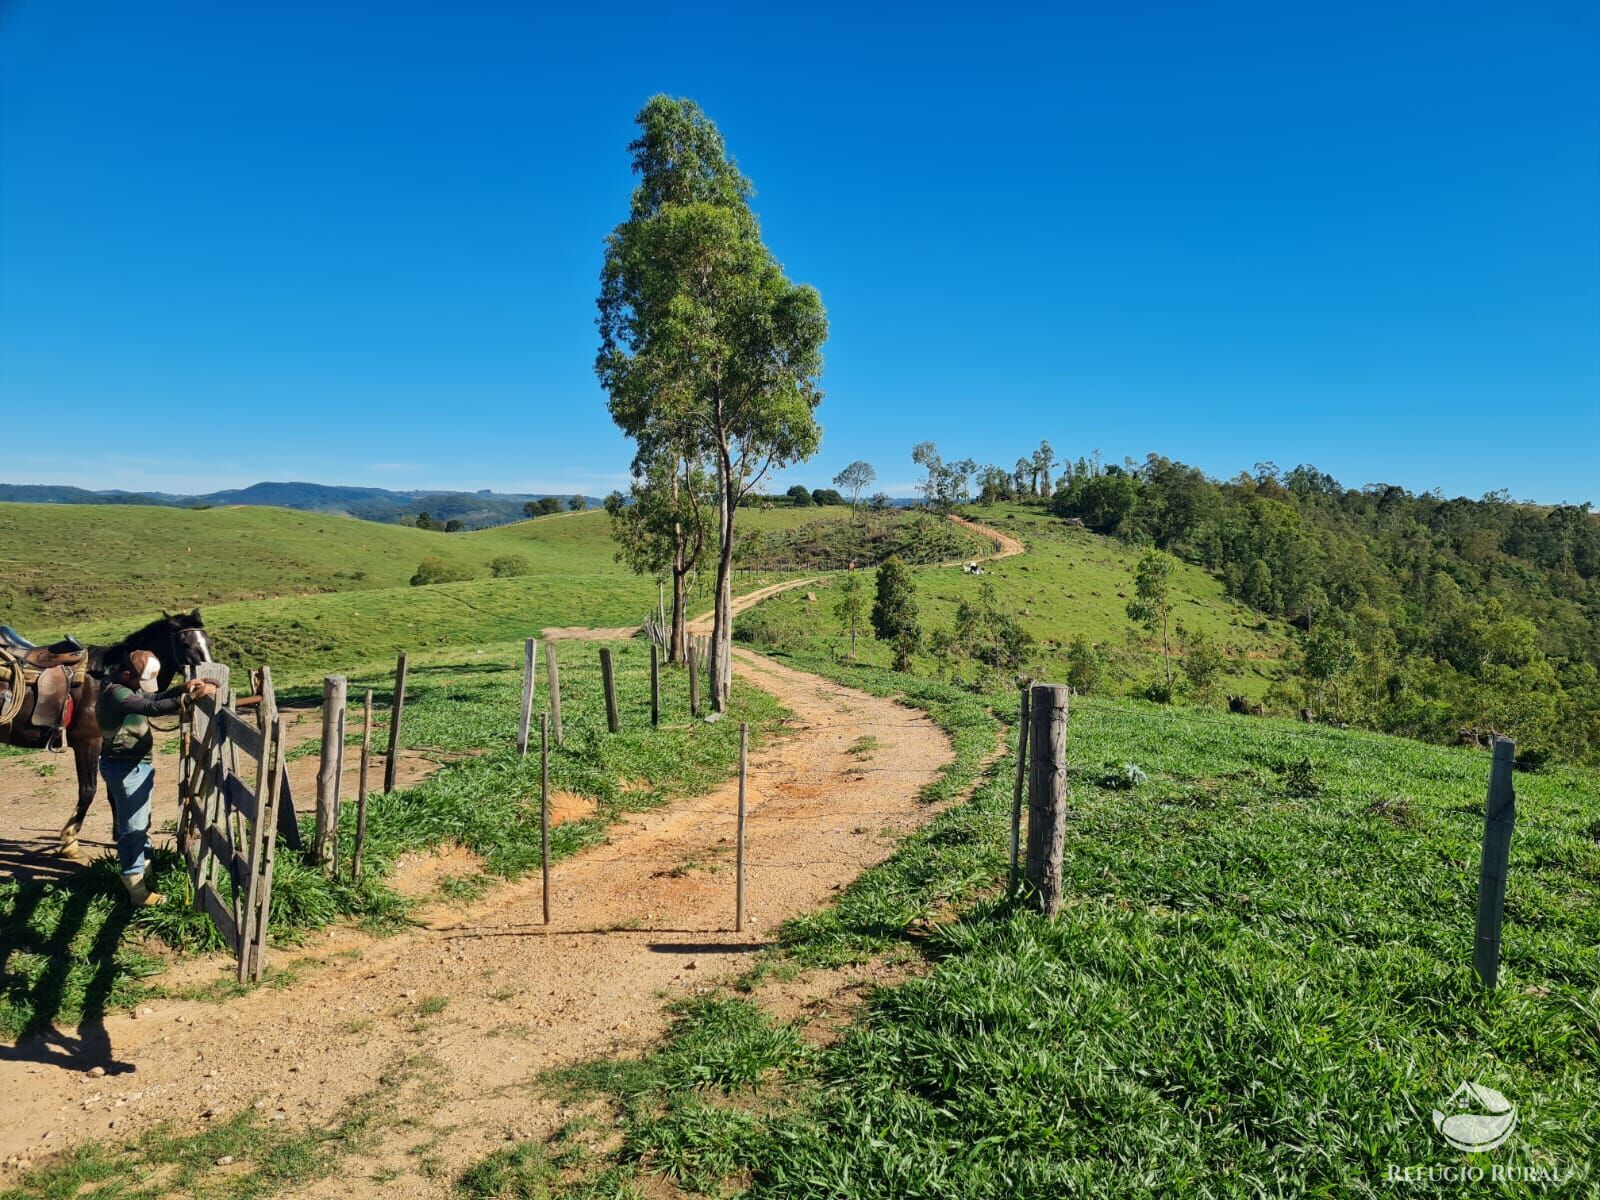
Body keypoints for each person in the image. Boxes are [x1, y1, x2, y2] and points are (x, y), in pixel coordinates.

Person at [96, 650, 215, 906]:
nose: (143, 687)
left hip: (133, 766)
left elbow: (151, 696)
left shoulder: (124, 684)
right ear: (128, 674)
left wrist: (180, 689)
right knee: (133, 829)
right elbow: (150, 706)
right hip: (126, 768)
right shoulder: (117, 693)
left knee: (140, 822)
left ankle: (142, 867)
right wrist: (190, 698)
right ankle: (135, 887)